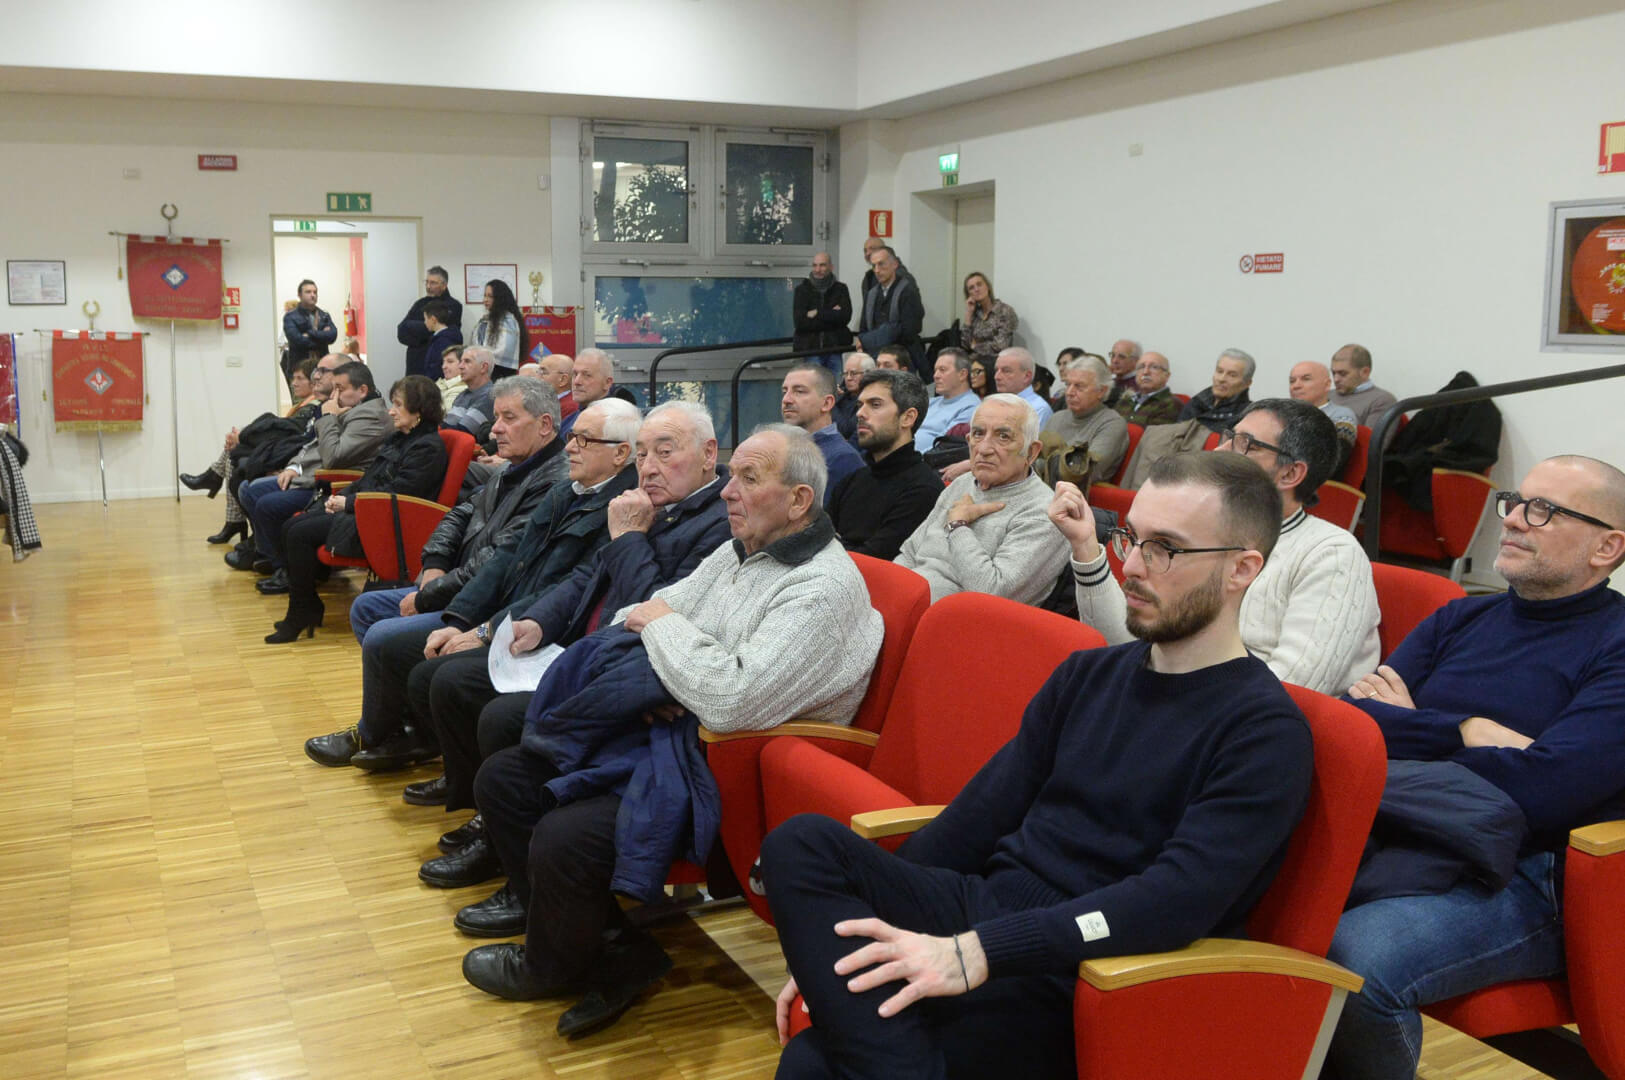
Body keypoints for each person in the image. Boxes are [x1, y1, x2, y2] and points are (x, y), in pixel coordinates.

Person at [766, 451, 1313, 1080]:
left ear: (1242, 569)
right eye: (1131, 537)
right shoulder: (1088, 675)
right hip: (983, 907)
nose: (1132, 566)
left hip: (1080, 965)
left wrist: (980, 952)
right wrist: (832, 952)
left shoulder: (1263, 732)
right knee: (801, 844)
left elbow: (1173, 901)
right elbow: (974, 819)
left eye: (1165, 549)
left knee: (812, 1063)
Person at [459, 424, 884, 1041]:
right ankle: (613, 950)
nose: (728, 492)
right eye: (733, 476)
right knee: (506, 778)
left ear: (799, 501)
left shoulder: (821, 587)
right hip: (677, 732)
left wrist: (672, 655)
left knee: (565, 834)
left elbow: (731, 697)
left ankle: (552, 965)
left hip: (731, 769)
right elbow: (642, 610)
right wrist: (677, 662)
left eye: (749, 479)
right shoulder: (742, 549)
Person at [1325, 455, 1625, 1080]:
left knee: (1355, 962)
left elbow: (1544, 790)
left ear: (1607, 547)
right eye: (1515, 502)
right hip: (1410, 831)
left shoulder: (1616, 644)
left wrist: (1410, 726)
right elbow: (1354, 725)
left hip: (1534, 875)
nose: (1511, 519)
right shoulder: (1462, 616)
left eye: (1543, 511)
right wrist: (1464, 731)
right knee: (1251, 890)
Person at [413, 401, 730, 888]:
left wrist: (627, 539)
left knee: (499, 716)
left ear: (709, 454)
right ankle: (492, 825)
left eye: (665, 453)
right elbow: (586, 576)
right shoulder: (646, 504)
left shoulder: (717, 525)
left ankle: (508, 847)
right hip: (579, 649)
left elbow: (651, 612)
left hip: (627, 673)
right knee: (452, 681)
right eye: (643, 455)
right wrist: (537, 621)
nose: (649, 467)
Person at [1064, 397, 1380, 695]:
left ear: (1290, 473)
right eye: (1229, 437)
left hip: (1246, 720)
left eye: (1245, 444)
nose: (1219, 449)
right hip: (1179, 697)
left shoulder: (1331, 553)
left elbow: (1293, 688)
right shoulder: (1202, 534)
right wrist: (1086, 547)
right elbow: (1130, 643)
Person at [266, 374, 449, 643]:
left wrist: (350, 502)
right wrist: (342, 497)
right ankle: (306, 605)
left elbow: (402, 494)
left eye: (398, 405)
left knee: (298, 533)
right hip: (367, 509)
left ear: (419, 411)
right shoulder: (400, 438)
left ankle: (301, 611)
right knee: (292, 525)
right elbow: (369, 479)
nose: (391, 411)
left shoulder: (428, 448)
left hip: (386, 523)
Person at [897, 394, 1069, 606]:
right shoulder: (963, 482)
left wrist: (957, 526)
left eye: (1003, 436)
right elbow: (909, 552)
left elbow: (991, 595)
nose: (984, 449)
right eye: (978, 434)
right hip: (908, 603)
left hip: (954, 619)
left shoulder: (1044, 512)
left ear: (1031, 453)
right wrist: (892, 596)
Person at [238, 360, 391, 583]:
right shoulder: (350, 408)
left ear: (362, 390)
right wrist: (293, 466)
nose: (334, 395)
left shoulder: (369, 417)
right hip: (311, 474)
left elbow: (333, 457)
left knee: (266, 504)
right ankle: (273, 556)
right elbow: (311, 444)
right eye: (335, 388)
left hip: (333, 485)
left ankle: (283, 566)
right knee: (248, 488)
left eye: (340, 389)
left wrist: (327, 417)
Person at [183, 355, 326, 544]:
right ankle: (233, 517)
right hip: (286, 452)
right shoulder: (303, 405)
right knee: (235, 454)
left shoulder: (313, 408)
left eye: (300, 378)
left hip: (292, 459)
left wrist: (242, 436)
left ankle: (227, 504)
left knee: (236, 456)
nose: (294, 383)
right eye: (294, 378)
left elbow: (288, 436)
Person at [829, 369, 943, 562]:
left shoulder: (924, 489)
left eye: (875, 405)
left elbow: (875, 560)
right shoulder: (853, 480)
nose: (860, 413)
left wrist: (835, 547)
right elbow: (815, 540)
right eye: (859, 405)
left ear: (908, 418)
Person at [1040, 355, 1130, 483]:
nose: (1069, 392)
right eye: (1068, 385)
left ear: (1101, 391)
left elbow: (1082, 471)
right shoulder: (1056, 418)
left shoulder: (1112, 424)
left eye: (1079, 386)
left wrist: (1039, 467)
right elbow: (1033, 458)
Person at [780, 363, 862, 501]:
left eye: (799, 391)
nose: (786, 400)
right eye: (784, 392)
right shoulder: (782, 449)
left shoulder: (843, 460)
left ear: (827, 403)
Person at [858, 247, 926, 376]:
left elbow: (910, 330)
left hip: (902, 361)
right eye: (873, 266)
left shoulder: (908, 290)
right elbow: (863, 330)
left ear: (895, 264)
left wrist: (870, 339)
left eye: (881, 264)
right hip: (876, 360)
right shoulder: (871, 294)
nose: (877, 270)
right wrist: (888, 331)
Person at [1288, 359, 1358, 469]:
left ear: (1327, 385)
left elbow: (1332, 461)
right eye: (1292, 381)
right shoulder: (1283, 415)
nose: (1296, 386)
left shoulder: (1341, 416)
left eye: (1306, 379)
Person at [793, 252, 854, 375]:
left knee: (837, 385)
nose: (818, 269)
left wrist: (817, 312)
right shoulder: (801, 290)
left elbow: (844, 317)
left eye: (822, 265)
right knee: (813, 385)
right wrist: (831, 314)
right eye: (815, 265)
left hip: (835, 349)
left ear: (831, 267)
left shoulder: (841, 289)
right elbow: (800, 322)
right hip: (810, 350)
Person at [398, 266, 464, 378]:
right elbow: (401, 331)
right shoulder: (419, 303)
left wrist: (413, 329)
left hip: (437, 367)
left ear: (444, 285)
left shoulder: (453, 306)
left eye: (433, 283)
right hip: (414, 366)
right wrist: (423, 333)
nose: (428, 286)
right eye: (427, 282)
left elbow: (439, 331)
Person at [913, 348, 979, 454]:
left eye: (942, 370)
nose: (935, 376)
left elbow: (944, 446)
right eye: (935, 370)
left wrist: (912, 459)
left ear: (962, 374)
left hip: (925, 459)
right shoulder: (931, 402)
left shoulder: (971, 406)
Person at [1178, 348, 1255, 432]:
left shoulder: (1247, 416)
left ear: (1247, 383)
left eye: (1232, 375)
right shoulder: (1196, 402)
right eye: (1219, 371)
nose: (1221, 379)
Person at [281, 279, 337, 385]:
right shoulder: (290, 317)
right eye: (308, 292)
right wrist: (322, 337)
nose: (312, 295)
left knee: (323, 395)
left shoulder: (324, 315)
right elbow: (298, 341)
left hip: (321, 369)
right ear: (299, 295)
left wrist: (310, 334)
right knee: (301, 396)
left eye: (315, 292)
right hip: (299, 370)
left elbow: (332, 336)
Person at [473, 279, 528, 377]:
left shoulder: (508, 320)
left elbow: (505, 350)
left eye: (490, 296)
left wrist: (480, 356)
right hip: (483, 368)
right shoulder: (485, 319)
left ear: (500, 298)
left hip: (500, 372)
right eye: (485, 296)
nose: (485, 300)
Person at [959, 272, 1017, 363]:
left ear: (988, 287)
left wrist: (975, 345)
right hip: (973, 361)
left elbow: (1000, 345)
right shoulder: (975, 314)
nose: (976, 289)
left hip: (997, 362)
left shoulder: (1004, 311)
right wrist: (968, 314)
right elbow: (965, 344)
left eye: (979, 284)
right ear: (969, 294)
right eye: (971, 288)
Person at [1113, 351, 1183, 426]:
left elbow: (1153, 433)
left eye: (1154, 367)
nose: (1145, 372)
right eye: (1141, 367)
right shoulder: (1125, 401)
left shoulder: (1171, 404)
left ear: (1167, 376)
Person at [991, 347, 1053, 428]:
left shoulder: (1038, 409)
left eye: (1006, 371)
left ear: (1027, 376)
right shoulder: (994, 403)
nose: (997, 377)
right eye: (996, 370)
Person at [444, 346, 498, 437]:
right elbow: (447, 425)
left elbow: (463, 432)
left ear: (483, 367)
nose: (460, 366)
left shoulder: (489, 395)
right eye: (461, 361)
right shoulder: (462, 394)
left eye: (467, 361)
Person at [833, 352, 874, 444]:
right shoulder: (842, 392)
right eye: (845, 373)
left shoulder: (870, 399)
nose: (848, 378)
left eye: (853, 373)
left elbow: (846, 430)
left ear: (868, 374)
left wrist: (831, 403)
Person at [419, 299, 463, 383]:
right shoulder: (439, 338)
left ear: (433, 319)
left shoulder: (443, 341)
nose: (424, 322)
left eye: (425, 319)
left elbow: (437, 367)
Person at [537, 354, 578, 428]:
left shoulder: (569, 408)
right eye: (538, 372)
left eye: (543, 372)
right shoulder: (551, 402)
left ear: (563, 380)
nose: (537, 377)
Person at [434, 344, 466, 413]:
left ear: (463, 364)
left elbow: (444, 415)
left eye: (450, 362)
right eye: (443, 362)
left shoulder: (462, 389)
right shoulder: (440, 384)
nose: (443, 366)